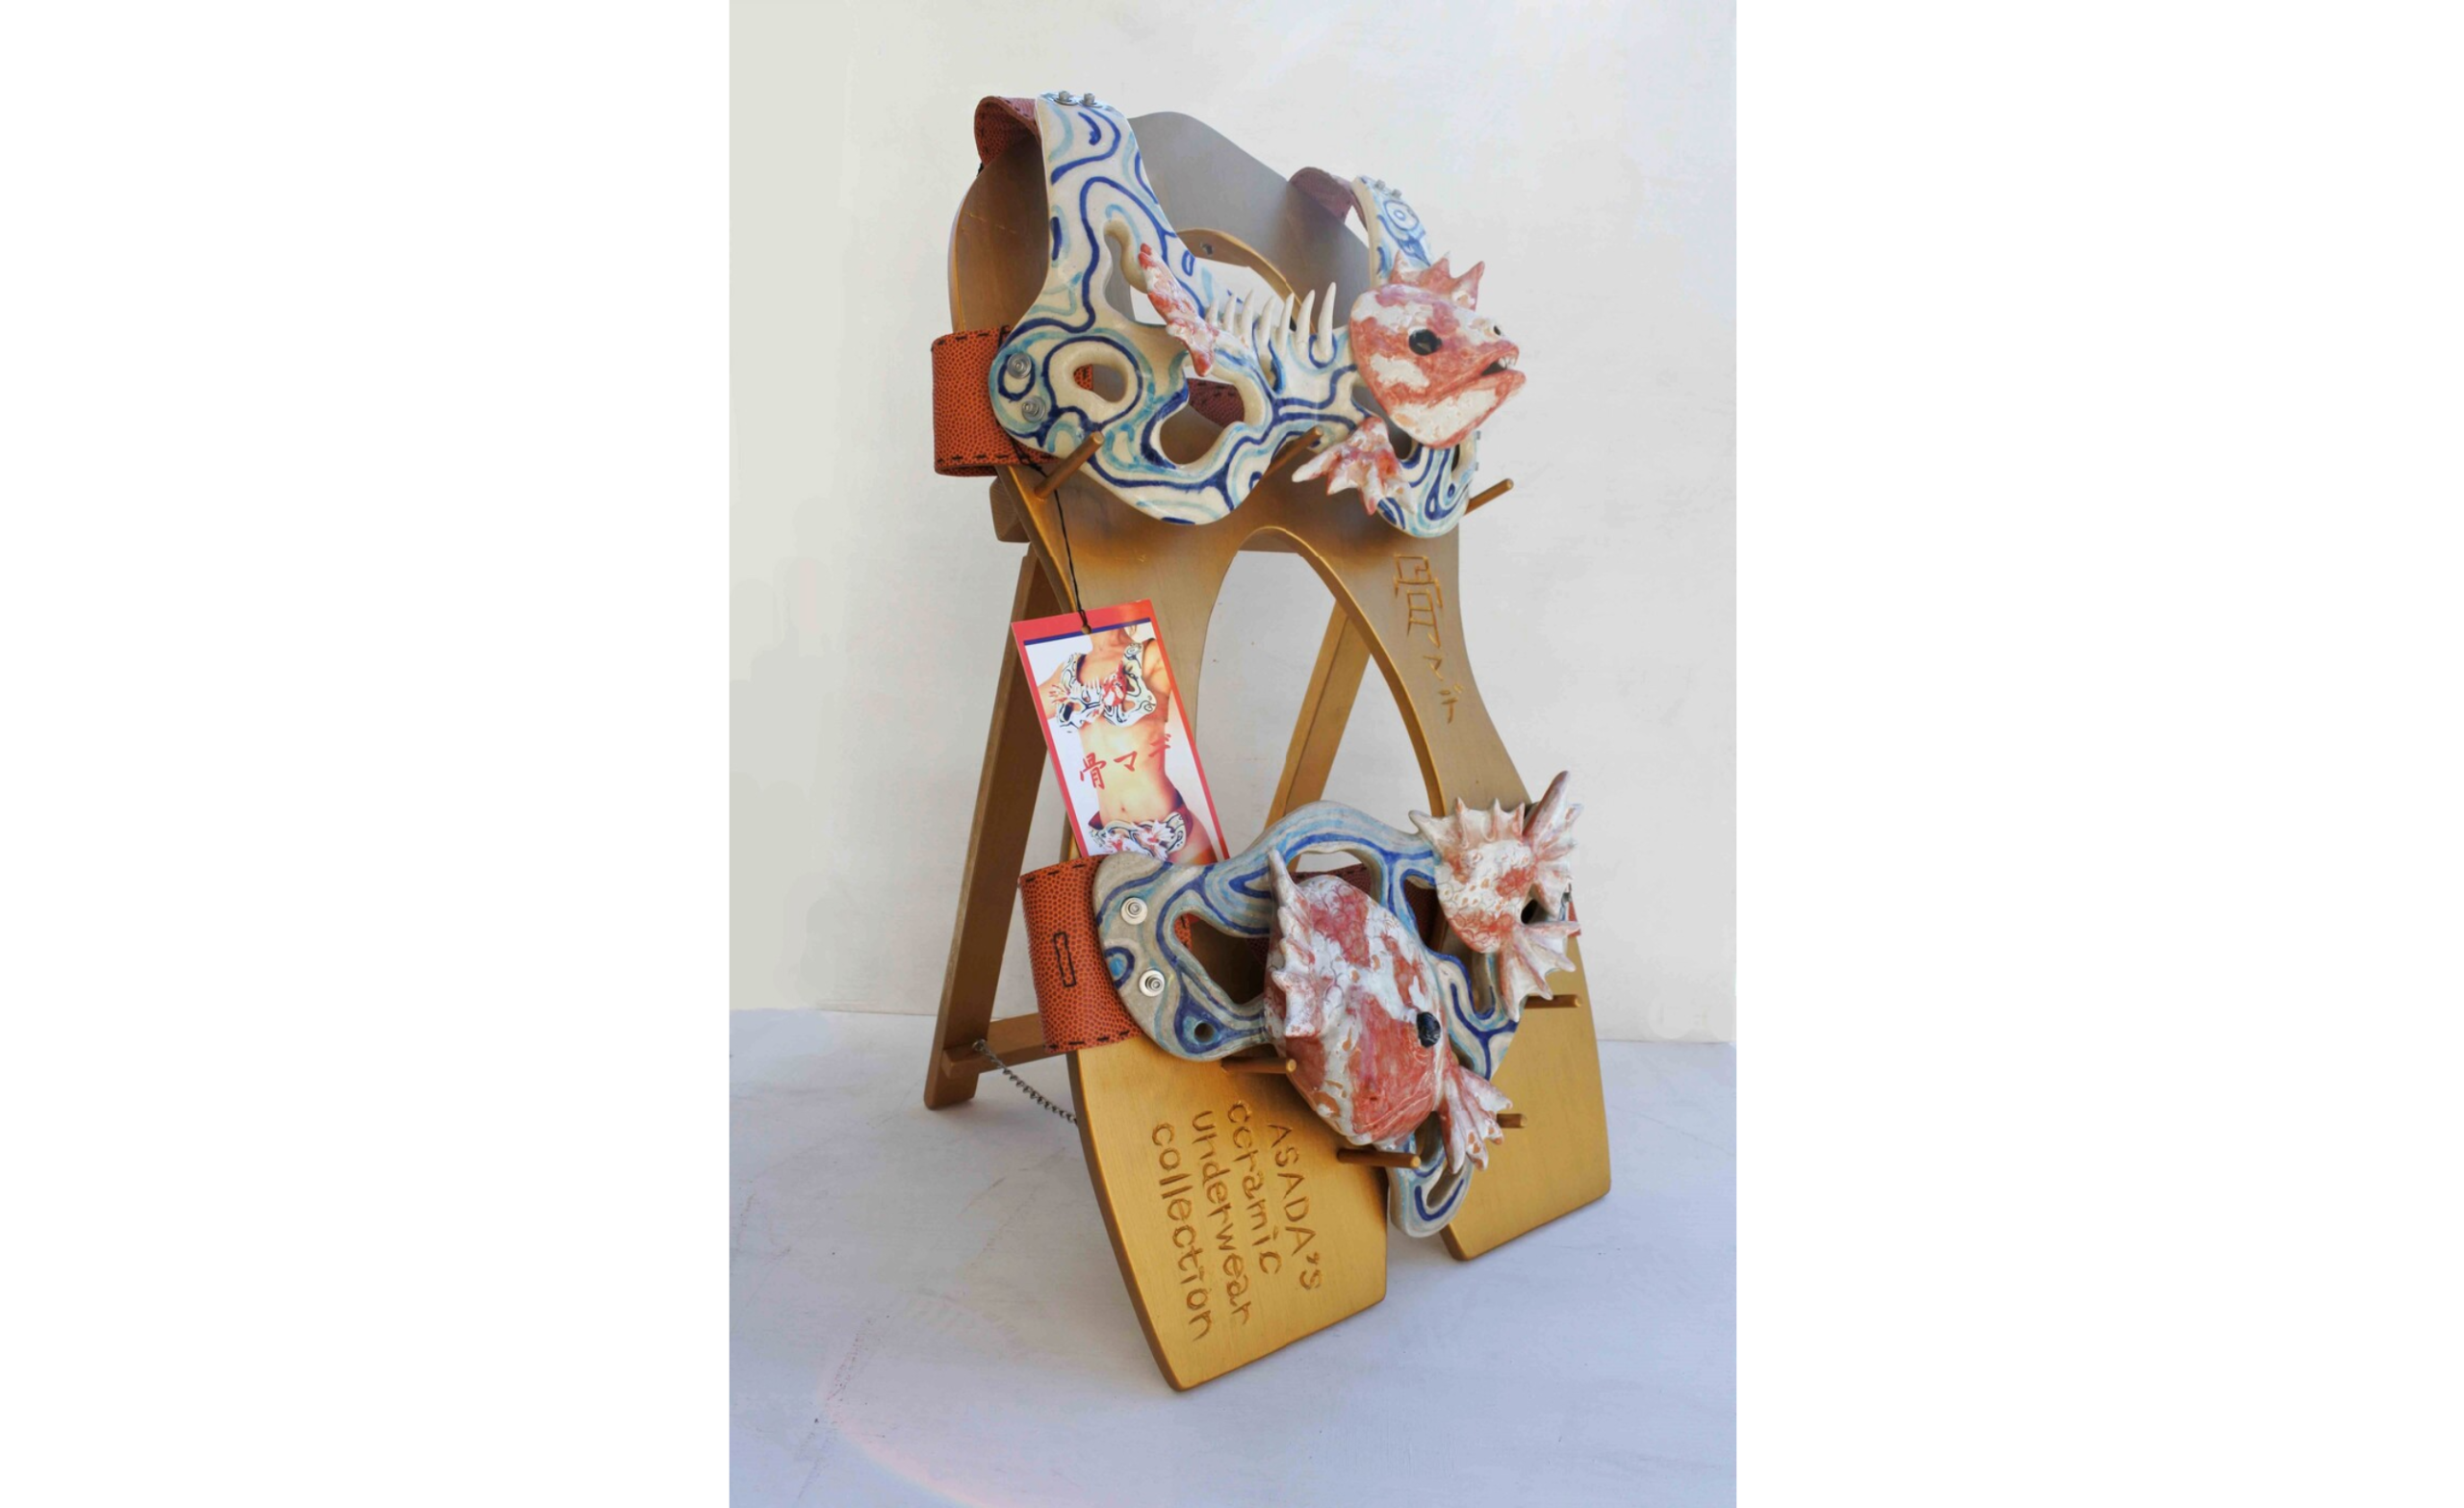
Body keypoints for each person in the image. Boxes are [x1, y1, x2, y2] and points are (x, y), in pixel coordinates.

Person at [1037, 622, 1219, 864]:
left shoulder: (1152, 654)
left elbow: (1207, 679)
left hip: (1172, 832)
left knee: (1219, 890)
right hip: (1111, 842)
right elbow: (1021, 712)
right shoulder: (1068, 673)